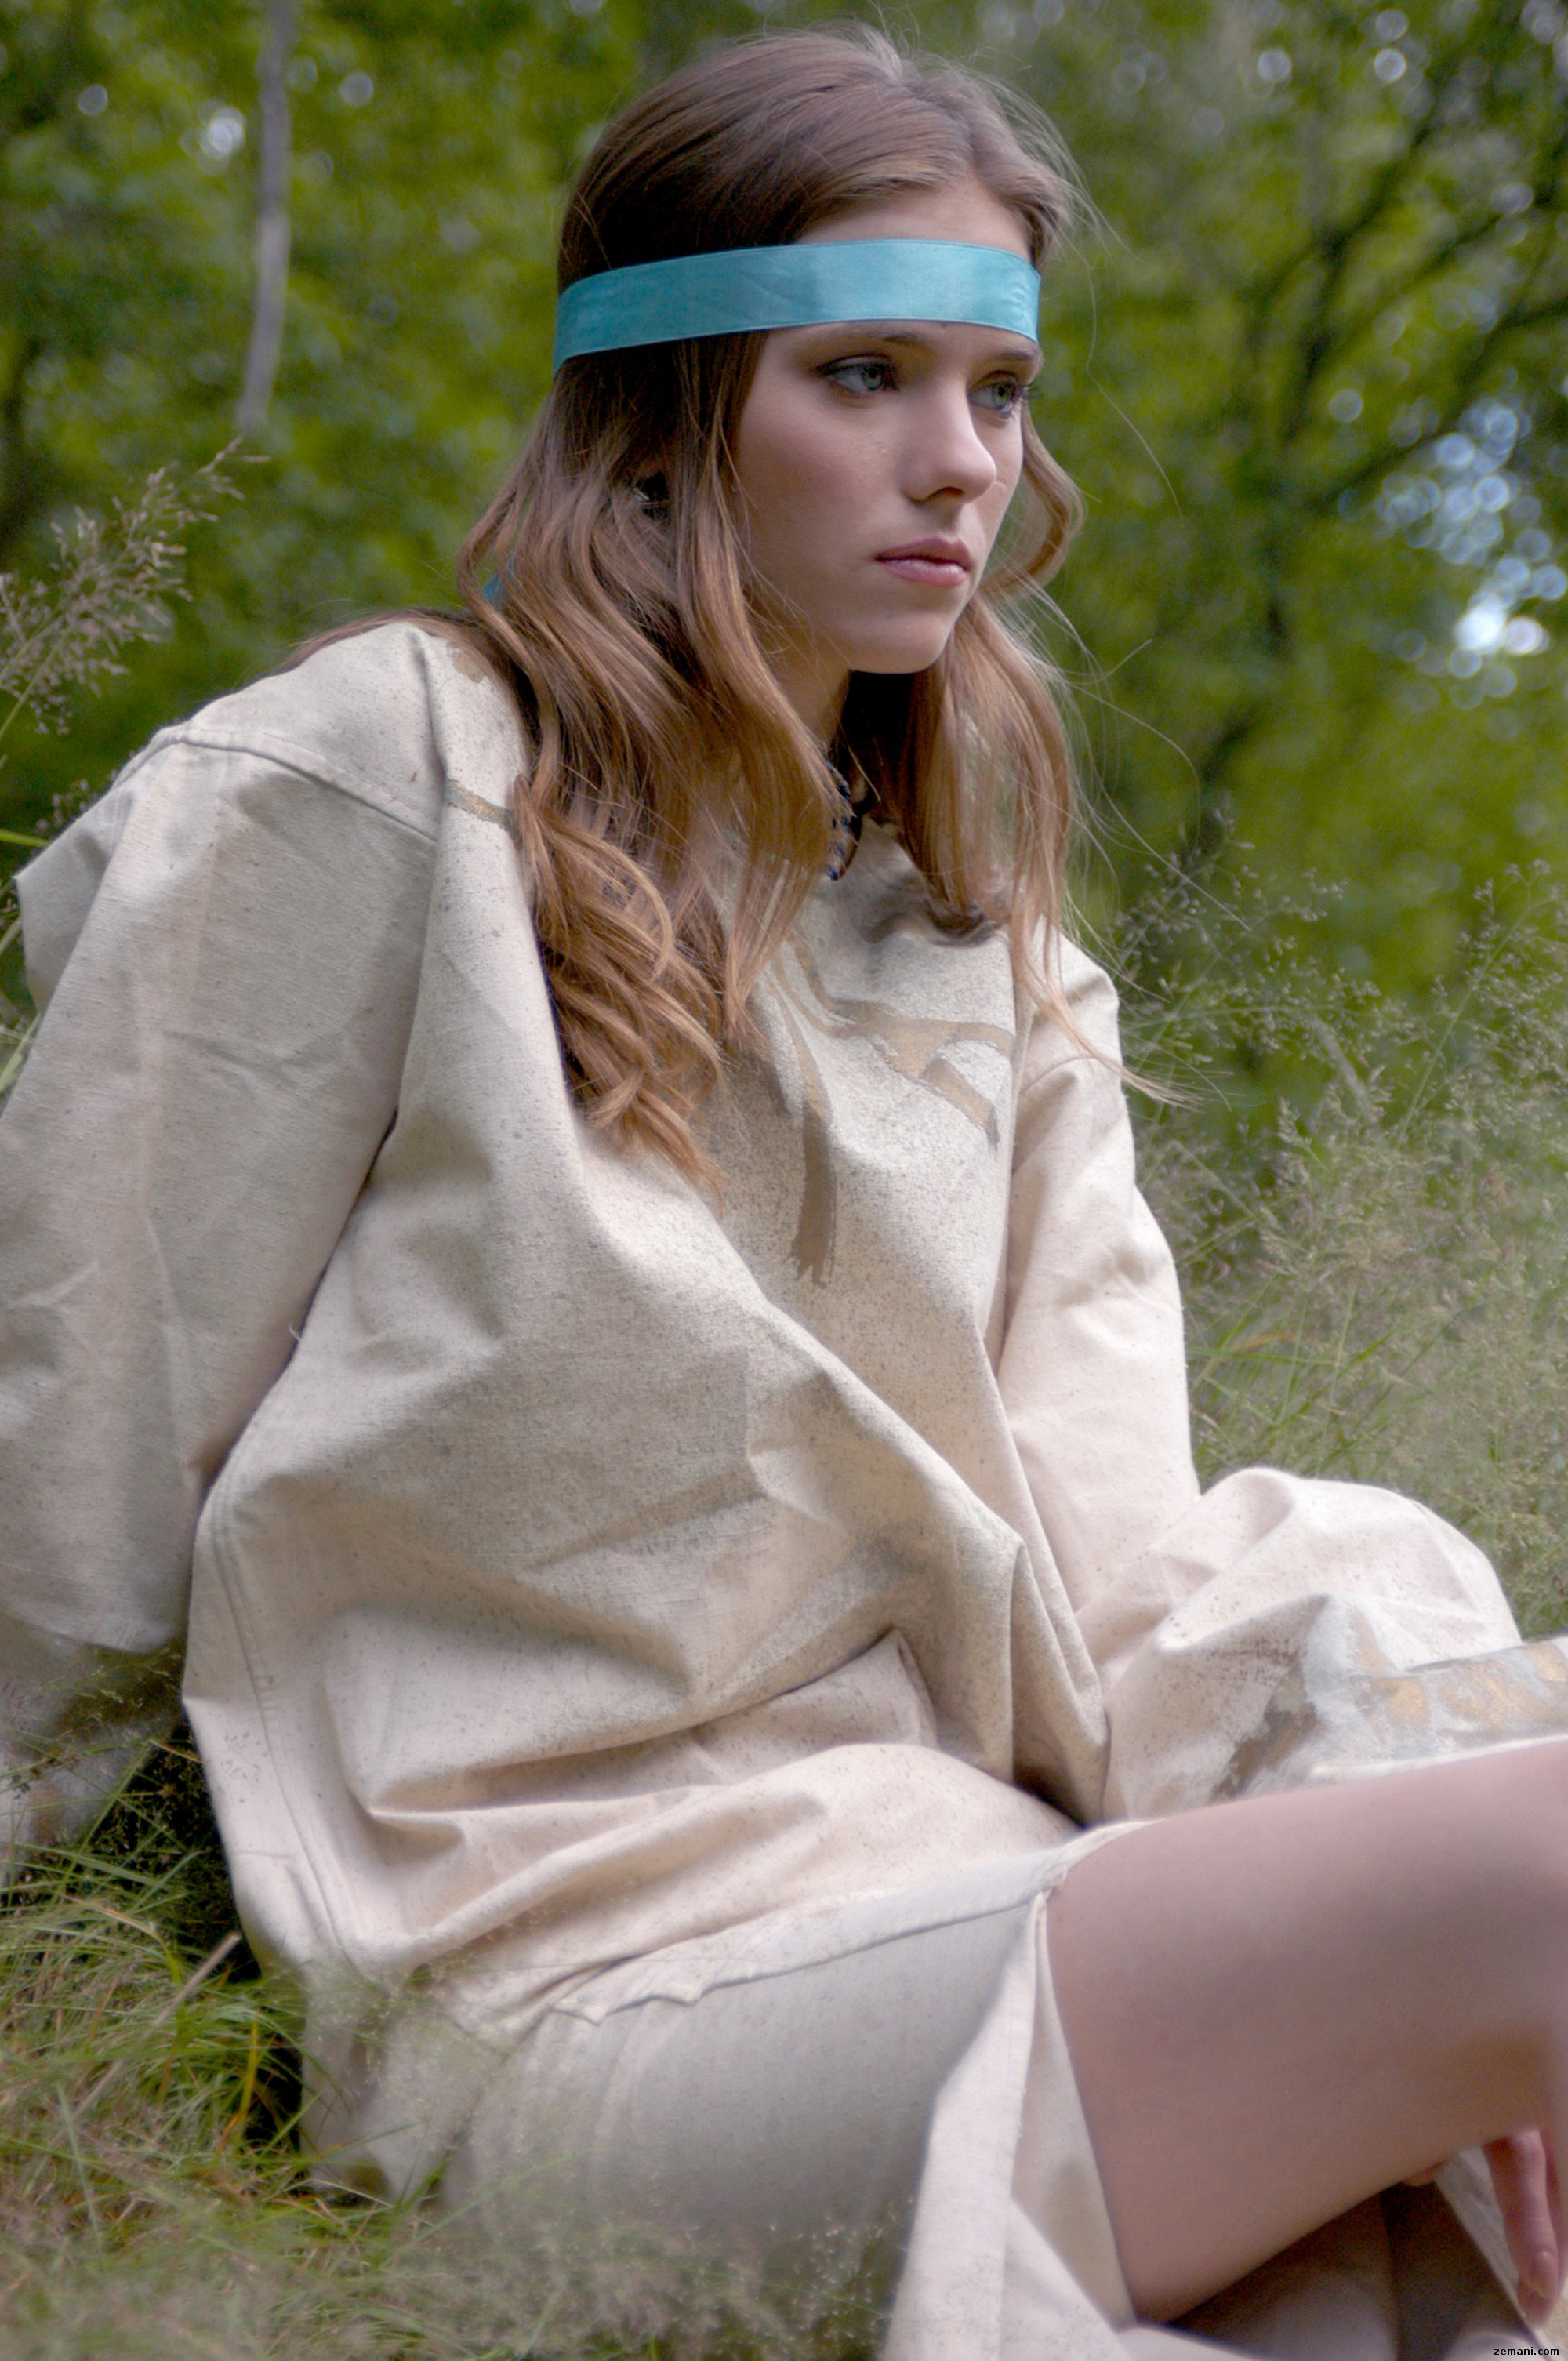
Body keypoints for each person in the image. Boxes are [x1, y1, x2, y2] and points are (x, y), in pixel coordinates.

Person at [3, 27, 1568, 2359]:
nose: (962, 462)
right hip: (568, 1996)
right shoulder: (374, 782)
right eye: (864, 376)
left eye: (1000, 392)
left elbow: (1124, 1574)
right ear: (663, 410)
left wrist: (1413, 1800)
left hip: (1005, 1908)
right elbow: (70, 1456)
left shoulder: (1000, 973)